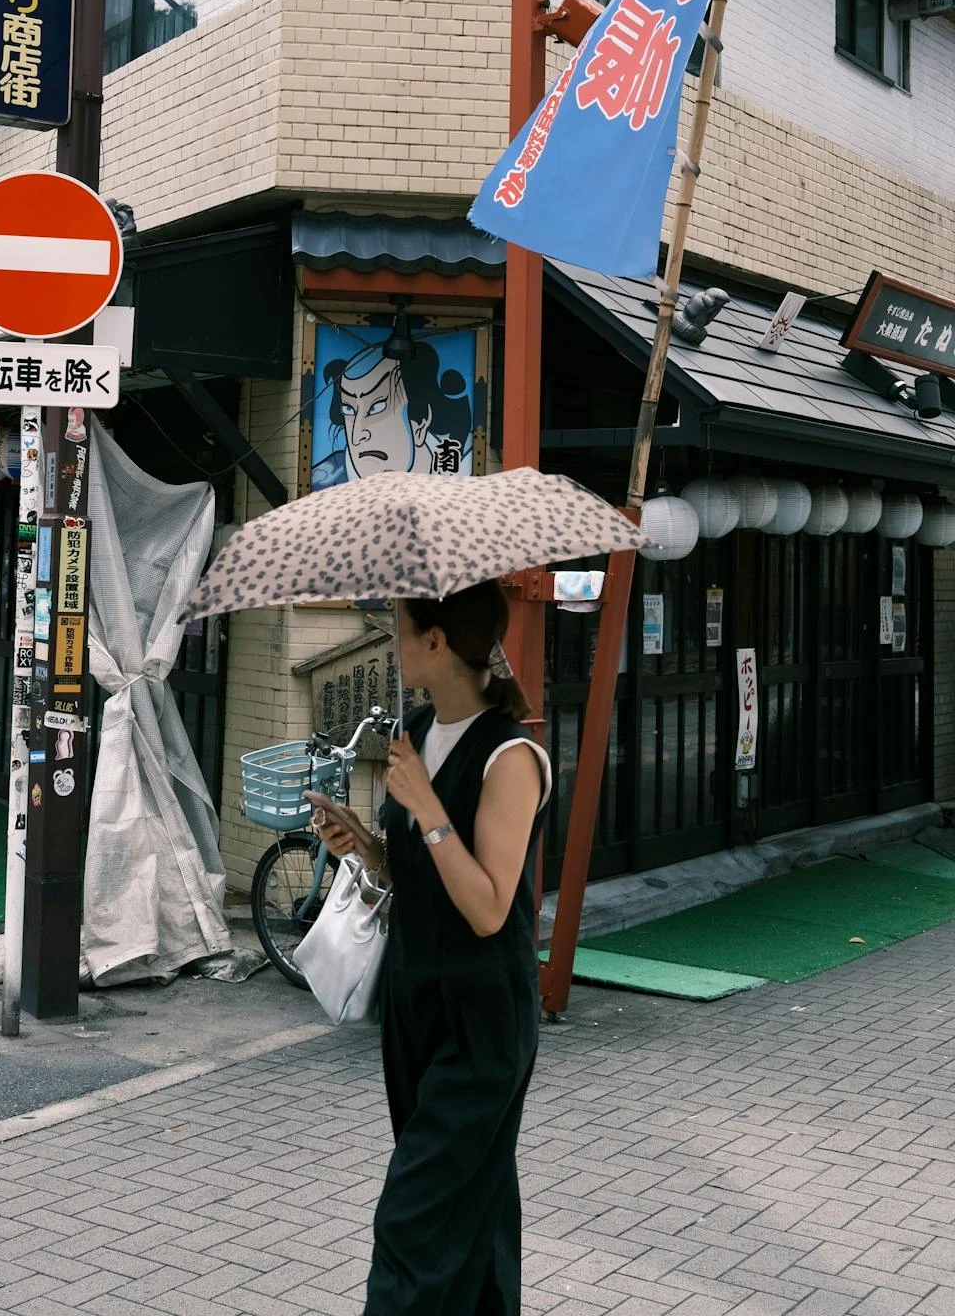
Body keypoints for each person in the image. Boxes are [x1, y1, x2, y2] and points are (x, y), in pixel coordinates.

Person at [305, 580, 551, 1316]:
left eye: (399, 627)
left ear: (437, 642)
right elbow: (421, 875)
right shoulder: (417, 729)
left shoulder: (512, 757)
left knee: (411, 1216)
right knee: (474, 1206)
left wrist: (429, 810)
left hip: (482, 1018)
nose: (392, 639)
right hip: (414, 1005)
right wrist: (369, 845)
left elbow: (485, 907)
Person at [311, 337, 472, 490]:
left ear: (421, 422)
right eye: (349, 409)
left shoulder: (460, 483)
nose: (357, 434)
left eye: (376, 407)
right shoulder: (325, 483)